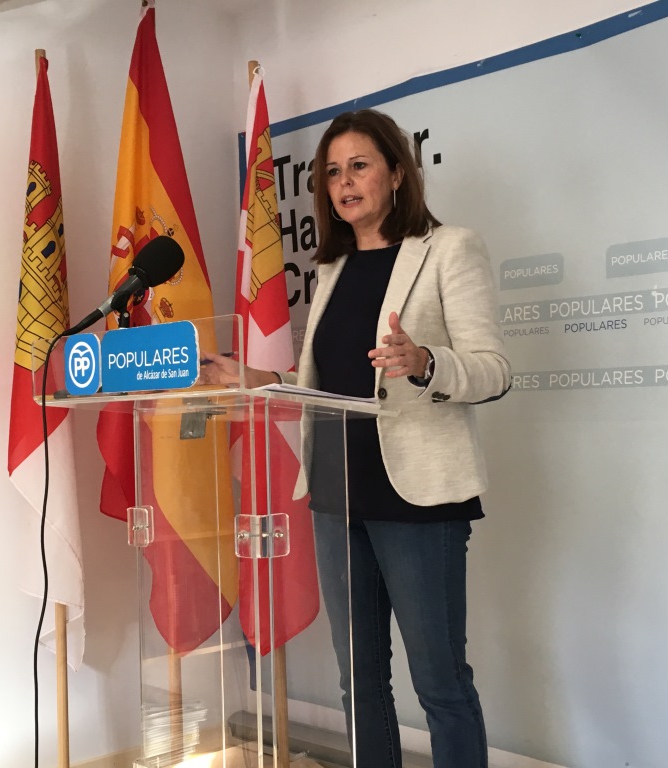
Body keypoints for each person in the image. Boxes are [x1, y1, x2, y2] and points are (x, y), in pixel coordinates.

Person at [203, 108, 510, 768]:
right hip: (337, 496)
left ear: (397, 174)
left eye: (360, 166)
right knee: (360, 683)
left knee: (441, 685)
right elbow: (330, 384)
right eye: (333, 172)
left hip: (418, 499)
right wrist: (261, 379)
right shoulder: (334, 269)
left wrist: (425, 361)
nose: (344, 182)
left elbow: (493, 371)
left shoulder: (450, 249)